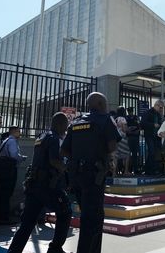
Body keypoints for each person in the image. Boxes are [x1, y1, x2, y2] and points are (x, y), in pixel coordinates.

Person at [62, 92, 120, 253]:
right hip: (94, 176)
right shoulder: (105, 119)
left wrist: (79, 158)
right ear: (101, 104)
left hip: (76, 176)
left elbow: (64, 150)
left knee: (89, 215)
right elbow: (112, 147)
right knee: (92, 220)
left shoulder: (76, 122)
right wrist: (109, 162)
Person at [8, 113, 72, 253]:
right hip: (49, 186)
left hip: (35, 185)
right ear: (60, 124)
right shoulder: (54, 138)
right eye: (66, 126)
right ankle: (55, 249)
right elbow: (54, 161)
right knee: (66, 212)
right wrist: (67, 169)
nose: (66, 129)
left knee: (27, 223)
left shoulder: (42, 137)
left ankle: (14, 250)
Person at [0, 126, 27, 224]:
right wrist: (22, 158)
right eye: (18, 131)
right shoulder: (12, 141)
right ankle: (3, 217)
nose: (20, 133)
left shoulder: (5, 140)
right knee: (6, 194)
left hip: (2, 170)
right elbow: (14, 155)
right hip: (8, 171)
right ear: (14, 132)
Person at [142, 100, 164, 175]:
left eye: (162, 108)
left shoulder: (158, 114)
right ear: (156, 105)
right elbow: (143, 123)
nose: (161, 109)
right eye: (160, 107)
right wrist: (153, 125)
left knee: (154, 153)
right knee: (151, 152)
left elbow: (160, 123)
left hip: (156, 136)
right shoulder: (147, 112)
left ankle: (152, 169)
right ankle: (149, 170)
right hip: (149, 135)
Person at [115, 107, 131, 176]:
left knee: (116, 155)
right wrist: (128, 129)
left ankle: (114, 173)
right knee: (127, 154)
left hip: (116, 137)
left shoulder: (116, 119)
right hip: (122, 138)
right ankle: (126, 171)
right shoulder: (123, 119)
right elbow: (124, 129)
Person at [126, 107, 141, 174]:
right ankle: (129, 169)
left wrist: (133, 130)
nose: (130, 112)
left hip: (134, 137)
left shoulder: (136, 117)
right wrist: (132, 130)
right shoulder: (126, 118)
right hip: (130, 138)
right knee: (128, 154)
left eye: (131, 111)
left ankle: (135, 169)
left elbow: (139, 127)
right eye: (129, 111)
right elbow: (126, 129)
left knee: (134, 154)